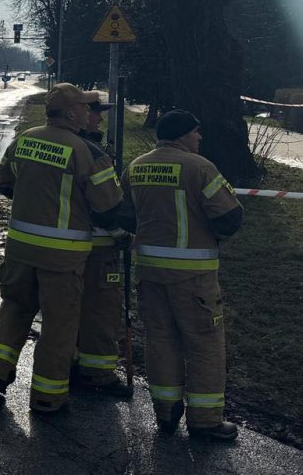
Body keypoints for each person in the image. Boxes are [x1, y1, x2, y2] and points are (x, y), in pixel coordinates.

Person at [0, 83, 125, 413]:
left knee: (15, 307)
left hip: (20, 248)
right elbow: (108, 207)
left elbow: (5, 185)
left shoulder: (24, 139)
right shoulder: (86, 151)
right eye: (85, 108)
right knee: (59, 325)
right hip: (62, 255)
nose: (90, 113)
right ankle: (48, 396)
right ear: (72, 113)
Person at [123, 110, 242, 440]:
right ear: (182, 135)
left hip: (149, 273)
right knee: (204, 343)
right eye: (195, 132)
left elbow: (124, 215)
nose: (199, 137)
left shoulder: (136, 166)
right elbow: (229, 218)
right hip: (193, 277)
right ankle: (205, 420)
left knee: (160, 340)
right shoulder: (199, 167)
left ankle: (165, 412)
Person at [73, 97, 134, 397]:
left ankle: (70, 365)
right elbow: (106, 207)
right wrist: (121, 233)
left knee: (70, 309)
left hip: (67, 247)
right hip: (97, 247)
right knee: (101, 312)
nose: (100, 118)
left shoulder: (63, 145)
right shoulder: (90, 151)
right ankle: (98, 374)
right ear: (80, 113)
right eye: (95, 112)